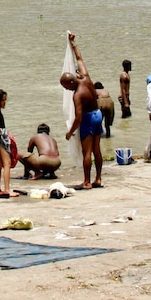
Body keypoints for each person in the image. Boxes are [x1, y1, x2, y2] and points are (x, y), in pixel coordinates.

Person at [61, 32, 104, 190]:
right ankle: (98, 178)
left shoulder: (77, 95)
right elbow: (79, 59)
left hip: (87, 118)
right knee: (97, 149)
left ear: (71, 82)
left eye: (66, 87)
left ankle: (86, 181)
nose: (66, 90)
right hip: (98, 114)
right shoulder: (86, 77)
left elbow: (78, 118)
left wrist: (70, 132)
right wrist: (73, 43)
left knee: (88, 151)